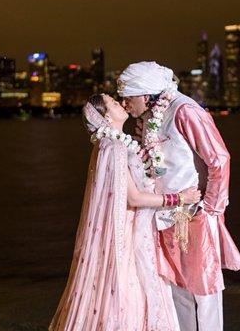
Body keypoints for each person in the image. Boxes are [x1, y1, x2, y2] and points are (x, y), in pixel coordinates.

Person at [49, 93, 200, 331]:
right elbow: (134, 197)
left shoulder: (113, 144)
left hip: (130, 229)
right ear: (106, 116)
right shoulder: (115, 148)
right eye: (113, 103)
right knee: (129, 291)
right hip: (127, 236)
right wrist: (179, 198)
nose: (121, 104)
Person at [118, 61, 240, 331]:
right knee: (177, 289)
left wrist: (211, 209)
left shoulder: (184, 110)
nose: (125, 104)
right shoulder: (152, 117)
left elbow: (219, 159)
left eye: (127, 97)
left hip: (195, 213)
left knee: (205, 290)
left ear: (144, 93)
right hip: (166, 215)